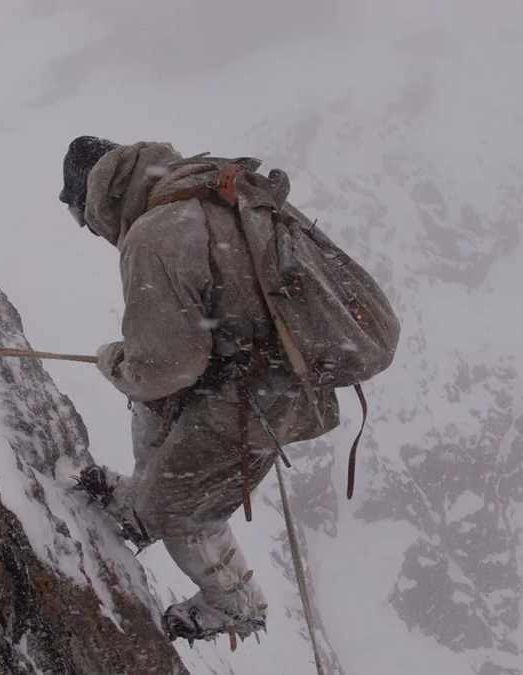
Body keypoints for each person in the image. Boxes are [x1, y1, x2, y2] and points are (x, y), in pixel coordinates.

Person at [58, 136, 341, 644]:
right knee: (157, 417)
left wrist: (116, 363)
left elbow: (166, 367)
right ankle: (139, 512)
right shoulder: (200, 185)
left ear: (92, 200)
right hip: (269, 375)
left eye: (83, 219)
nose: (92, 232)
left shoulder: (155, 233)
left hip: (253, 396)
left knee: (187, 510)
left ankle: (236, 607)